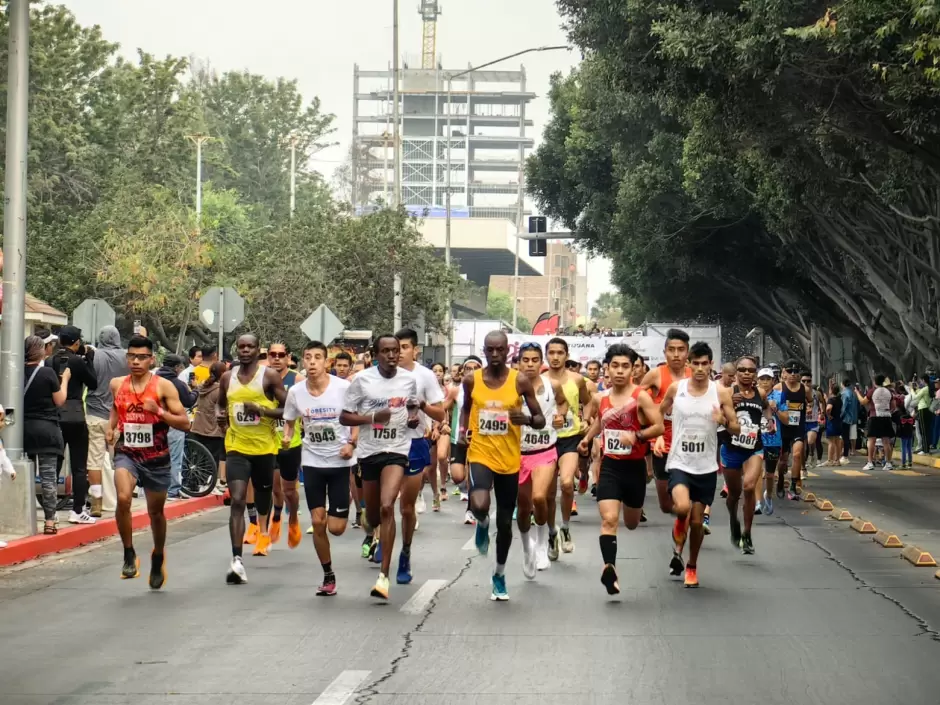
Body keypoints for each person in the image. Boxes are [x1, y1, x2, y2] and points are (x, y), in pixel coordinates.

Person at [460, 330, 545, 601]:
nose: (495, 355)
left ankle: (499, 574)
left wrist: (526, 420)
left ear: (507, 351)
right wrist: (463, 429)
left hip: (509, 459)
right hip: (481, 453)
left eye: (500, 350)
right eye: (490, 350)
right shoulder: (471, 380)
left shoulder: (519, 380)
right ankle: (482, 522)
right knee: (480, 504)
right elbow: (465, 407)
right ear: (483, 351)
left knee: (507, 525)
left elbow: (540, 418)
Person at [577, 344, 663, 594]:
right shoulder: (602, 398)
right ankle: (609, 568)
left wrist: (636, 436)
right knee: (609, 519)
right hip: (610, 466)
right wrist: (587, 438)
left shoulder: (641, 397)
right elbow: (601, 423)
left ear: (633, 370)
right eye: (615, 365)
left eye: (625, 366)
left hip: (635, 468)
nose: (619, 371)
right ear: (607, 368)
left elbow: (657, 427)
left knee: (632, 522)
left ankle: (612, 562)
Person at [107, 336, 191, 588]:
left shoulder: (164, 387)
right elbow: (115, 407)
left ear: (151, 359)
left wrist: (158, 411)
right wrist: (110, 429)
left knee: (155, 512)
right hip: (127, 453)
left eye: (141, 357)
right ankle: (129, 552)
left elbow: (185, 423)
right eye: (131, 356)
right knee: (123, 498)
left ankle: (157, 554)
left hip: (157, 457)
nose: (135, 361)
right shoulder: (117, 383)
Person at [340, 335, 420, 600]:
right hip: (369, 452)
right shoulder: (362, 380)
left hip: (396, 450)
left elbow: (411, 408)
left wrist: (411, 418)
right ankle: (368, 520)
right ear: (375, 354)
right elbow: (344, 416)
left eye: (395, 351)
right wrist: (372, 417)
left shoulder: (408, 380)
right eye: (385, 351)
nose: (391, 355)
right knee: (373, 516)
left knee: (388, 506)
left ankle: (384, 575)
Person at [659, 341, 739, 588]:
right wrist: (659, 436)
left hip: (705, 466)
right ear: (688, 364)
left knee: (697, 522)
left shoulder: (721, 393)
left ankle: (691, 565)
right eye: (696, 364)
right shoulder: (676, 388)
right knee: (682, 507)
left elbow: (736, 428)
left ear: (711, 364)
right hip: (680, 462)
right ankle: (678, 523)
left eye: (705, 364)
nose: (700, 368)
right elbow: (657, 413)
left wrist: (722, 419)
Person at [283, 340, 358, 596]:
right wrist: (286, 436)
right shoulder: (296, 392)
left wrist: (352, 442)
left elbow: (355, 417)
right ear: (302, 361)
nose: (312, 362)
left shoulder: (343, 388)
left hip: (339, 461)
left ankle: (343, 505)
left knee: (336, 528)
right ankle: (328, 575)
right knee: (317, 521)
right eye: (307, 357)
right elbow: (290, 420)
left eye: (317, 357)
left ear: (327, 362)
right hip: (313, 462)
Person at [218, 334, 287, 584]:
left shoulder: (268, 376)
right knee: (237, 499)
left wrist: (262, 411)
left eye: (250, 346)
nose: (245, 350)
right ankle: (237, 560)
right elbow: (219, 403)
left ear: (259, 350)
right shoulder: (228, 377)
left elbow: (289, 409)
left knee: (263, 496)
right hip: (236, 447)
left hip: (265, 450)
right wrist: (220, 418)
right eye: (241, 347)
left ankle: (264, 528)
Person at [394, 329, 446, 585]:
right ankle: (380, 537)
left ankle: (405, 553)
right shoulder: (380, 375)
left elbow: (440, 414)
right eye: (395, 347)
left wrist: (423, 407)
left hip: (414, 443)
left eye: (404, 347)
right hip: (385, 444)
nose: (399, 352)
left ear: (415, 350)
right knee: (383, 504)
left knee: (406, 506)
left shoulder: (425, 376)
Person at [643, 329, 693, 573]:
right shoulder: (656, 375)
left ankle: (679, 552)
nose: (676, 354)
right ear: (664, 352)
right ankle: (682, 515)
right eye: (671, 350)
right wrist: (655, 432)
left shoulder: (697, 375)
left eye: (681, 349)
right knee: (665, 505)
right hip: (662, 446)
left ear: (687, 352)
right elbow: (636, 399)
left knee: (686, 505)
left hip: (690, 448)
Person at [516, 342, 567, 575]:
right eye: (525, 360)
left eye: (534, 360)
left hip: (545, 451)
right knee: (523, 507)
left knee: (539, 498)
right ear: (518, 362)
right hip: (517, 454)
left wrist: (560, 416)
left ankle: (541, 545)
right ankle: (527, 548)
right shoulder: (510, 387)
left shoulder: (552, 384)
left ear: (541, 362)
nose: (530, 364)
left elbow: (563, 403)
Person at [44, 325, 98, 524]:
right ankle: (77, 510)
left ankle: (51, 512)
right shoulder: (77, 361)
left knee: (54, 464)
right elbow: (93, 383)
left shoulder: (49, 361)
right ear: (76, 342)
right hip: (75, 415)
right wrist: (89, 361)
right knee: (78, 466)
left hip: (55, 416)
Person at [544, 338, 592, 557]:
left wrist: (586, 419)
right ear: (546, 355)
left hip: (570, 438)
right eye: (551, 353)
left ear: (566, 355)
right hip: (545, 440)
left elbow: (589, 401)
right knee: (547, 493)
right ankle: (552, 533)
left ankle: (565, 528)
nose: (555, 357)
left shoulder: (577, 379)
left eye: (560, 353)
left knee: (565, 483)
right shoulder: (540, 381)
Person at [719, 356, 769, 555]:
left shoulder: (761, 393)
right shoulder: (727, 392)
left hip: (753, 448)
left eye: (751, 370)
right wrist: (729, 403)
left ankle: (747, 534)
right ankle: (733, 518)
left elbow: (766, 408)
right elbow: (716, 416)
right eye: (742, 370)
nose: (747, 373)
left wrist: (769, 421)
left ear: (755, 373)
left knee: (749, 486)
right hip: (731, 448)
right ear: (736, 372)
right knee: (734, 494)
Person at [24, 335, 69, 535]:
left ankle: (22, 517)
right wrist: (65, 380)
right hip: (47, 430)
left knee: (21, 476)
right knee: (48, 478)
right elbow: (60, 401)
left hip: (22, 432)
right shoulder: (48, 373)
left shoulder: (15, 373)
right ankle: (50, 521)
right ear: (41, 351)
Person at [84, 326, 128, 517]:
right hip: (119, 415)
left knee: (94, 459)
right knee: (120, 459)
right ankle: (122, 496)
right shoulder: (127, 357)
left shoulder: (94, 356)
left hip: (94, 413)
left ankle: (96, 502)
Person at [267, 342, 302, 547]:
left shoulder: (297, 379)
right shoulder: (263, 378)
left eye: (281, 354)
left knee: (289, 490)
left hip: (291, 442)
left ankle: (294, 518)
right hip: (269, 441)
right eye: (273, 354)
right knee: (275, 487)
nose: (277, 358)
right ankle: (276, 518)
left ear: (288, 357)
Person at [155, 354, 197, 500]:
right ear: (176, 367)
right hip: (173, 423)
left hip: (154, 423)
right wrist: (195, 390)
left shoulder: (153, 379)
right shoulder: (176, 383)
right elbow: (188, 401)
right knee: (175, 457)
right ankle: (173, 490)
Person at [775, 359, 813, 499]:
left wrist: (809, 407)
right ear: (784, 372)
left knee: (797, 455)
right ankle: (780, 480)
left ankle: (793, 485)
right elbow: (771, 402)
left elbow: (811, 401)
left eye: (795, 371)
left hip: (798, 427)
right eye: (789, 371)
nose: (792, 374)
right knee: (783, 460)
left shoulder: (805, 389)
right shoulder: (779, 388)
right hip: (784, 428)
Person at [190, 362, 228, 490]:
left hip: (198, 427)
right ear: (222, 374)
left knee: (196, 458)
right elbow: (223, 411)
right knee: (211, 459)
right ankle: (204, 483)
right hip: (213, 429)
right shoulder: (219, 391)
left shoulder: (202, 387)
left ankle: (193, 483)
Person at [757, 368, 781, 515]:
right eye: (762, 379)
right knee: (757, 471)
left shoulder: (780, 396)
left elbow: (787, 418)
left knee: (770, 474)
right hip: (756, 439)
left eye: (768, 379)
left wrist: (776, 409)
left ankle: (769, 496)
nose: (765, 382)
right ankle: (758, 501)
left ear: (773, 381)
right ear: (757, 380)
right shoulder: (752, 395)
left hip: (773, 439)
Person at [858, 375, 896, 470]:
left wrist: (857, 392)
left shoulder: (872, 391)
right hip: (886, 417)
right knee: (886, 442)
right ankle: (888, 463)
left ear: (875, 382)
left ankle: (870, 462)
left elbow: (863, 401)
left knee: (871, 441)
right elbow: (893, 406)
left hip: (874, 417)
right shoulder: (889, 392)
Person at [825, 381, 844, 466]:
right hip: (838, 421)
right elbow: (831, 392)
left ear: (832, 391)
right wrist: (830, 385)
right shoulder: (839, 399)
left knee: (831, 441)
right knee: (837, 441)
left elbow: (828, 408)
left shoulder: (831, 400)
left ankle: (830, 460)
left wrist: (828, 415)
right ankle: (837, 460)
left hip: (832, 422)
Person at [840, 378, 860, 460]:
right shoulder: (854, 394)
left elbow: (844, 407)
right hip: (854, 417)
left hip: (845, 418)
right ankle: (851, 451)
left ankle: (844, 453)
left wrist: (840, 416)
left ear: (842, 384)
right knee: (851, 436)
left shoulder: (844, 393)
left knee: (844, 436)